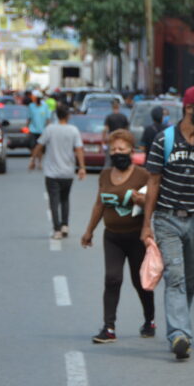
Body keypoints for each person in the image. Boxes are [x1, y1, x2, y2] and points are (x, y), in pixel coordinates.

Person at [141, 86, 194, 361]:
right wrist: (147, 224)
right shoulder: (163, 140)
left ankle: (180, 326)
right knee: (174, 275)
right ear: (189, 108)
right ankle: (179, 334)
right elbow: (153, 182)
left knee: (191, 278)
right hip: (167, 218)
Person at [81, 129, 155, 343]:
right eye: (113, 149)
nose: (117, 153)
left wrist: (138, 199)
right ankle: (109, 327)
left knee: (139, 281)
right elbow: (99, 204)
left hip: (136, 236)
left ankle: (149, 319)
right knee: (112, 279)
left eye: (121, 149)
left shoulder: (142, 174)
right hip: (112, 236)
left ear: (131, 150)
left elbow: (150, 202)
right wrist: (89, 231)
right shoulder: (105, 175)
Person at [29, 105, 86, 240]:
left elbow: (39, 145)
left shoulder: (50, 129)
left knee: (54, 201)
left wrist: (33, 160)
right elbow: (79, 149)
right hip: (68, 171)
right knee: (65, 199)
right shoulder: (73, 130)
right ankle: (65, 225)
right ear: (68, 116)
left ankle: (57, 229)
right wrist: (82, 167)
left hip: (52, 172)